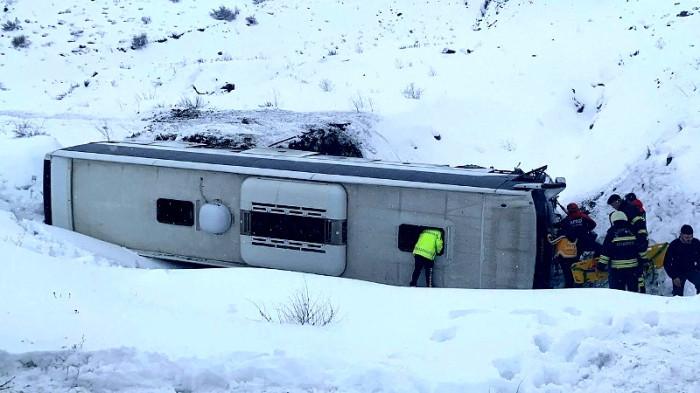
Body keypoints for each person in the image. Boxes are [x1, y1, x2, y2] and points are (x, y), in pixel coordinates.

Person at [607, 193, 649, 292]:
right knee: (636, 271)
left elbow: (639, 226)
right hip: (635, 242)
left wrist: (640, 241)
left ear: (617, 201)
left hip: (636, 242)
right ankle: (639, 291)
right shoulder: (627, 208)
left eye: (613, 205)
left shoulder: (628, 209)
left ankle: (640, 293)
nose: (614, 207)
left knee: (637, 270)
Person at [596, 210, 640, 292]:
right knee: (633, 292)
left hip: (617, 269)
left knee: (618, 293)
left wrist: (600, 266)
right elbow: (640, 247)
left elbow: (605, 252)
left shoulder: (611, 233)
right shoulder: (634, 231)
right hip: (633, 268)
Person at [663, 224, 700, 296]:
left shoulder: (696, 243)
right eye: (686, 237)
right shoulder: (674, 245)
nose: (689, 239)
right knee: (677, 295)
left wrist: (698, 269)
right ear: (681, 235)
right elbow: (666, 263)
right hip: (678, 272)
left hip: (691, 269)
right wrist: (674, 277)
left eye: (691, 237)